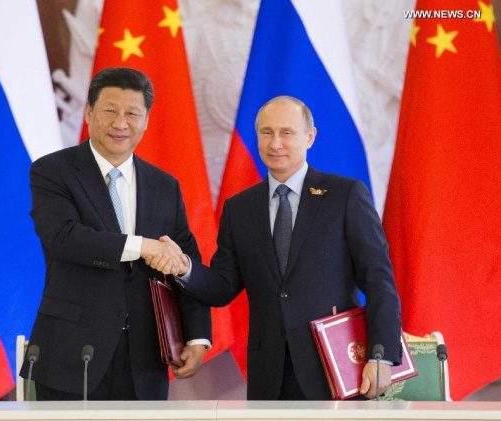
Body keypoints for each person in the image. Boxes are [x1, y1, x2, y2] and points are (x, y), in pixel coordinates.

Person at [147, 96, 402, 400]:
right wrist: (184, 268)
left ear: (310, 137)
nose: (275, 143)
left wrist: (380, 356)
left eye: (287, 133)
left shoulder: (344, 195)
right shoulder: (239, 208)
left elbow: (378, 280)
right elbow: (223, 286)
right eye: (266, 132)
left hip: (335, 368)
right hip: (269, 373)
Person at [20, 67, 211, 400]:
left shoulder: (164, 186)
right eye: (109, 111)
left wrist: (196, 337)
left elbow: (184, 261)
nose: (120, 123)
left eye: (132, 113)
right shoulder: (52, 171)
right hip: (73, 355)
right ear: (90, 112)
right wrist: (143, 246)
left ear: (146, 120)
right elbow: (64, 238)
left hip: (145, 358)